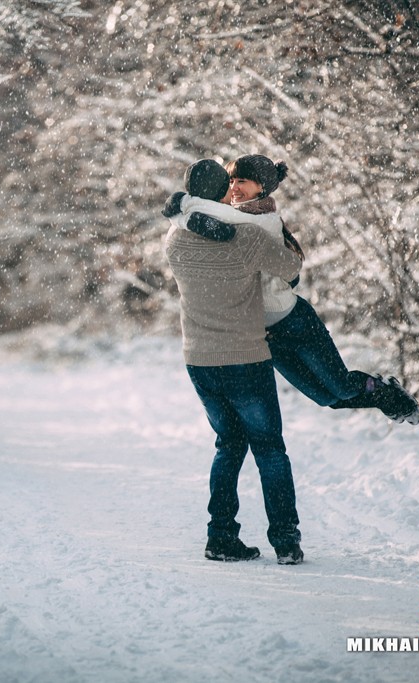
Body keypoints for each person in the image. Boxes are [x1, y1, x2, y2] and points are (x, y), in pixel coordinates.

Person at [163, 155, 419, 424]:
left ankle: (385, 392)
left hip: (294, 321)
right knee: (327, 399)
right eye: (230, 181)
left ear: (261, 187)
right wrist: (184, 211)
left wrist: (180, 209)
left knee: (342, 387)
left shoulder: (259, 221)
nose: (234, 188)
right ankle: (385, 400)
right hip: (266, 335)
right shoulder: (235, 217)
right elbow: (211, 218)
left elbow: (212, 219)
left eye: (241, 181)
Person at [164, 160, 305, 565]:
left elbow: (194, 220)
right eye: (229, 184)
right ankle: (285, 541)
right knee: (270, 449)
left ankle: (221, 537)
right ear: (222, 191)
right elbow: (291, 268)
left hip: (199, 360)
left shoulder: (174, 238)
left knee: (228, 445)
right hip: (245, 356)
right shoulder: (244, 238)